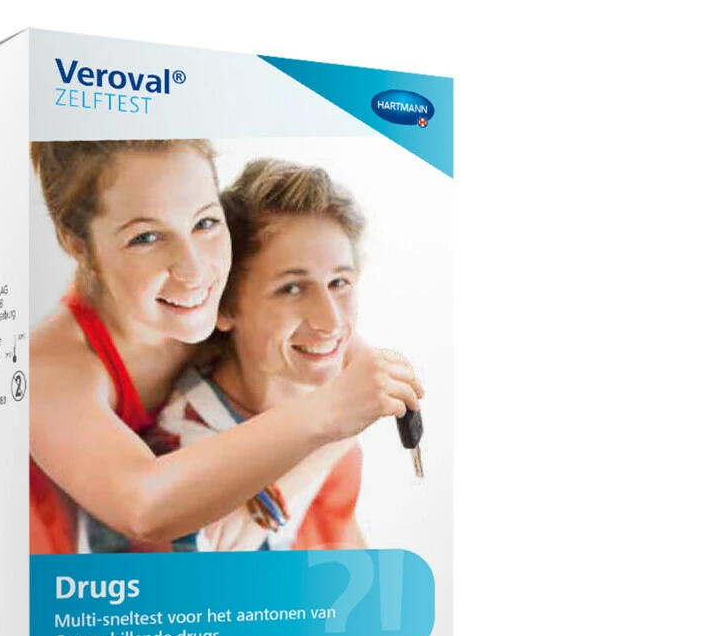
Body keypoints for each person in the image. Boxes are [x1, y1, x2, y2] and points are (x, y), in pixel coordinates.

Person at [28, 140, 423, 554]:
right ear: (77, 243)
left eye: (205, 222)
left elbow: (347, 353)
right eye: (145, 237)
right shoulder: (49, 372)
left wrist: (287, 487)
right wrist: (334, 413)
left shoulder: (207, 300)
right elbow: (144, 508)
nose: (195, 270)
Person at [142, 158, 383, 552]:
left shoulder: (330, 387)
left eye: (339, 282)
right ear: (223, 306)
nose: (330, 321)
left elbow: (340, 535)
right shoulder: (184, 448)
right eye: (292, 289)